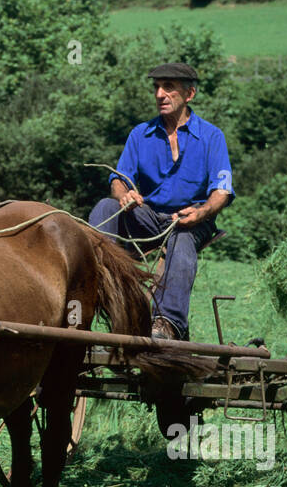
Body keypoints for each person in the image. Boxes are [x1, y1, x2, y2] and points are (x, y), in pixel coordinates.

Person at [89, 61, 234, 340]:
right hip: (149, 216)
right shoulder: (140, 134)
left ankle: (167, 322)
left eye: (169, 88)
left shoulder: (212, 136)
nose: (159, 95)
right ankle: (100, 287)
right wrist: (125, 195)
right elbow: (118, 179)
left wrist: (203, 212)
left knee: (181, 236)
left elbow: (222, 191)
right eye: (156, 88)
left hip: (191, 220)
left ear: (189, 94)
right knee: (105, 208)